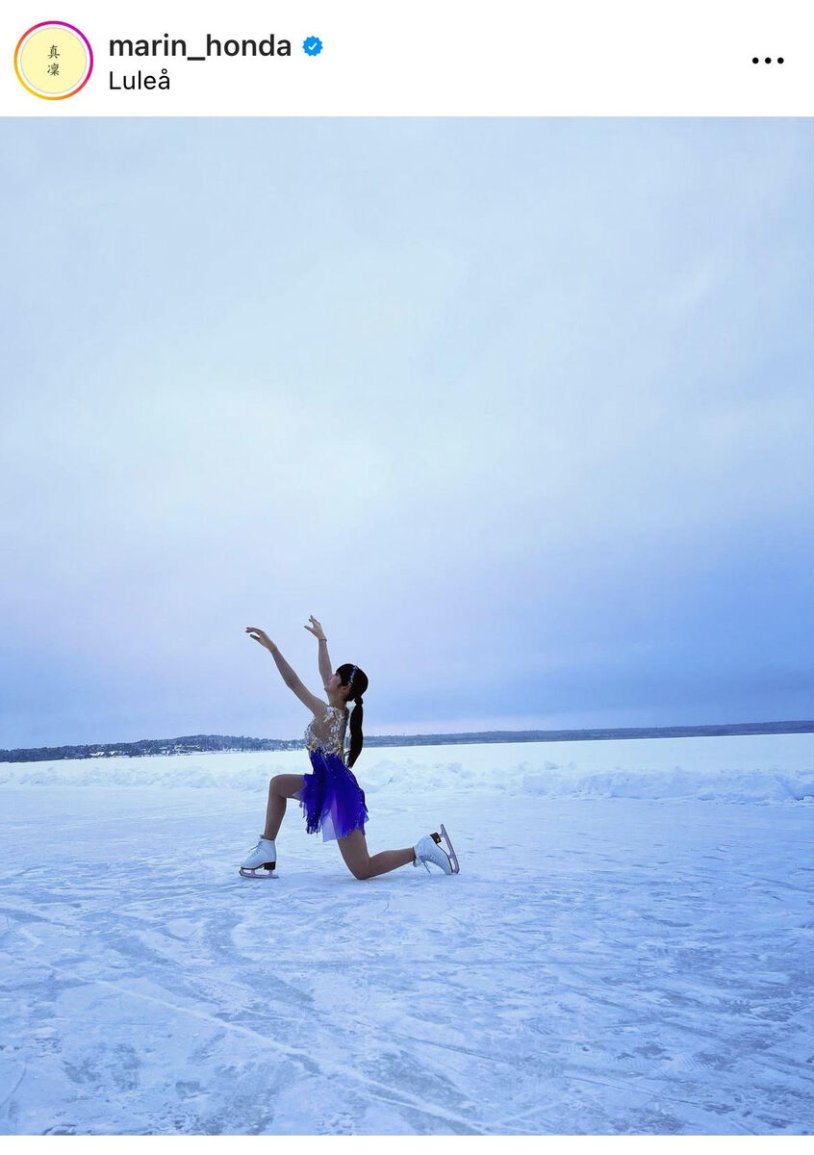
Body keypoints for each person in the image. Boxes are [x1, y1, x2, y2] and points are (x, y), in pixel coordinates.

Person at [239, 617, 459, 881]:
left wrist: (274, 650)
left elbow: (294, 684)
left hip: (338, 793)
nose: (328, 677)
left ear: (343, 689)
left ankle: (419, 849)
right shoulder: (337, 710)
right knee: (278, 785)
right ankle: (267, 848)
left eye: (335, 677)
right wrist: (322, 640)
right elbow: (325, 671)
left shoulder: (328, 714)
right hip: (326, 784)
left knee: (362, 869)